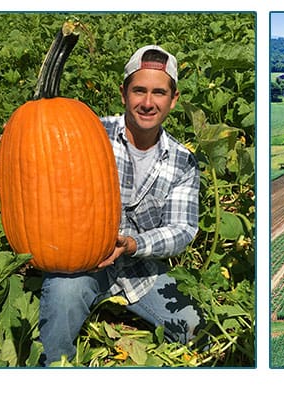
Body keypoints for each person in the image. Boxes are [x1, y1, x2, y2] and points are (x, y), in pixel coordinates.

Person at [38, 45, 204, 366]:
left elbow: (182, 229)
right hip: (81, 264)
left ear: (174, 99)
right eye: (138, 90)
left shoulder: (183, 161)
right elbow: (46, 176)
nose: (147, 102)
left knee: (195, 329)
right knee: (61, 305)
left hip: (139, 270)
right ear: (123, 93)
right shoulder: (90, 133)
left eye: (158, 92)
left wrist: (132, 244)